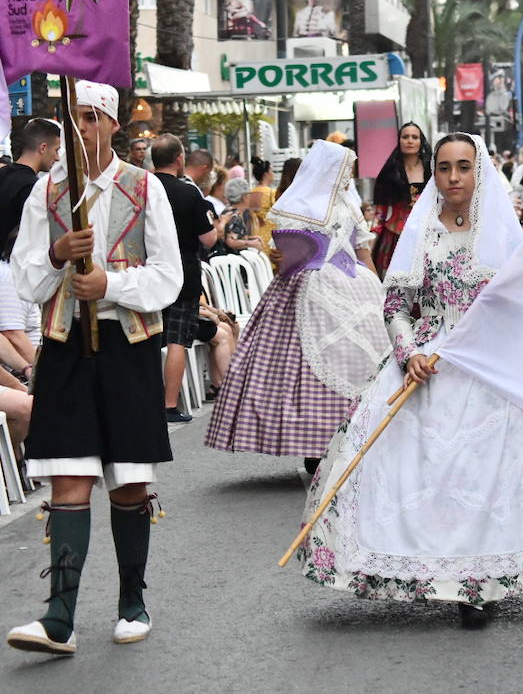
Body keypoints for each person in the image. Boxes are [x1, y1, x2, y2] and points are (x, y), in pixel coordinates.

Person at [296, 133, 523, 626]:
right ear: (434, 173)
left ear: (478, 171)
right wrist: (410, 354)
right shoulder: (422, 234)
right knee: (425, 473)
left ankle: (479, 586)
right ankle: (431, 571)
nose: (453, 178)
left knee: (488, 471)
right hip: (432, 362)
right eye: (444, 168)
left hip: (495, 367)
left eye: (463, 167)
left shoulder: (506, 236)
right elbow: (396, 307)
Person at [7, 82, 183, 655]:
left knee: (130, 481)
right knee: (69, 476)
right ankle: (59, 618)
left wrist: (112, 283)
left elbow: (168, 277)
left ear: (111, 125)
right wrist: (58, 256)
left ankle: (132, 601)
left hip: (127, 346)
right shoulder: (45, 192)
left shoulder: (144, 187)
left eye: (89, 117)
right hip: (64, 347)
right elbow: (27, 279)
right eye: (71, 119)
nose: (80, 129)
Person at [205, 141, 386, 475]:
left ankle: (353, 436)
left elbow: (362, 252)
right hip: (307, 287)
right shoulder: (302, 203)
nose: (348, 177)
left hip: (353, 284)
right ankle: (315, 442)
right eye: (345, 170)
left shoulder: (349, 204)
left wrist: (381, 292)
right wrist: (285, 258)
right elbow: (287, 248)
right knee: (302, 367)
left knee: (357, 360)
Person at [150, 135, 218, 424]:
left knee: (148, 336)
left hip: (147, 272)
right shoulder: (190, 193)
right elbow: (209, 238)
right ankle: (169, 405)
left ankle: (146, 400)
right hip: (182, 272)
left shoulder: (141, 188)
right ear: (179, 159)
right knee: (177, 339)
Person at [0, 118, 60, 366]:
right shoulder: (33, 190)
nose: (58, 158)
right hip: (12, 274)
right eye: (57, 150)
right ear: (43, 147)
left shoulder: (4, 175)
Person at [371, 122, 432, 274]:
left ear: (421, 141)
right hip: (394, 238)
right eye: (405, 137)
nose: (410, 141)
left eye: (414, 137)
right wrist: (369, 243)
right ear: (399, 141)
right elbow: (380, 212)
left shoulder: (433, 170)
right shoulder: (389, 172)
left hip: (427, 237)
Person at [247, 156, 277, 246]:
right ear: (266, 174)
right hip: (269, 235)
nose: (273, 173)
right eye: (271, 171)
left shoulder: (251, 193)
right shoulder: (271, 193)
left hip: (254, 234)